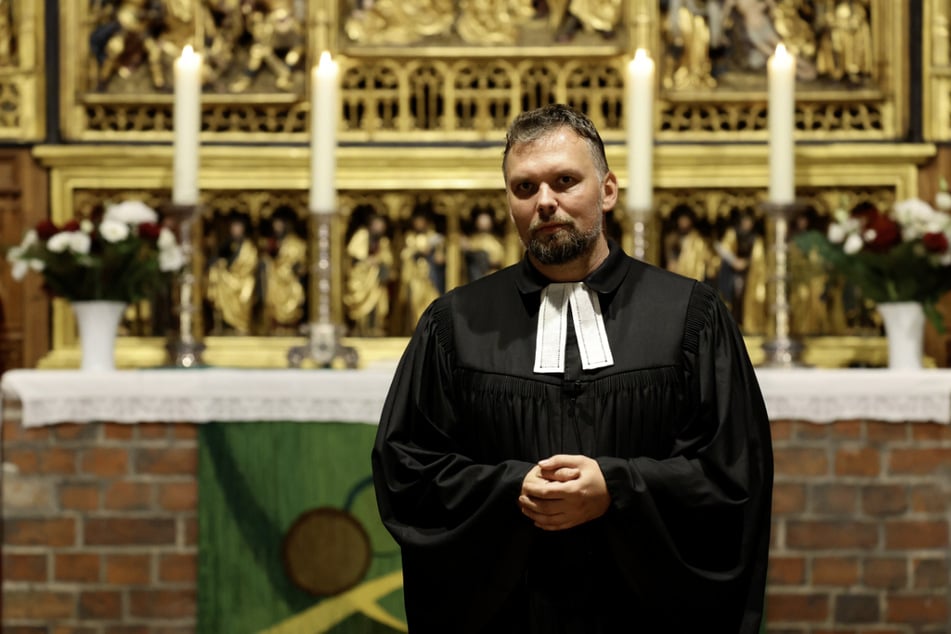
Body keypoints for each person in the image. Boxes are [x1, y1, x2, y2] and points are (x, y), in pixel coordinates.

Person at [372, 104, 773, 632]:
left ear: (607, 190)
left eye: (565, 181)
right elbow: (406, 471)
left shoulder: (690, 317)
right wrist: (513, 488)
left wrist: (617, 487)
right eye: (524, 187)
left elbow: (733, 474)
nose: (545, 202)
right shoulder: (455, 324)